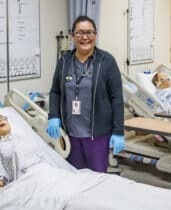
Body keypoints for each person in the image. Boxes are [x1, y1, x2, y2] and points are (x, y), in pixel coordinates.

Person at [0, 114, 171, 210]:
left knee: (121, 189)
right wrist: (9, 193)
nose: (2, 120)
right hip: (34, 183)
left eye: (4, 117)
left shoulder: (28, 140)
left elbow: (50, 163)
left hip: (58, 179)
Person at [47, 15, 125, 173]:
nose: (84, 37)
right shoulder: (64, 61)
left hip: (97, 136)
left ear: (95, 35)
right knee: (74, 178)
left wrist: (118, 132)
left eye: (89, 33)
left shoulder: (106, 61)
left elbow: (116, 98)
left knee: (96, 179)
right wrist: (53, 116)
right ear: (72, 36)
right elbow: (55, 92)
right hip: (70, 135)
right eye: (80, 33)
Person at [0, 114, 44, 195]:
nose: (0, 120)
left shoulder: (24, 138)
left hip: (44, 173)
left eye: (2, 118)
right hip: (26, 181)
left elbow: (41, 156)